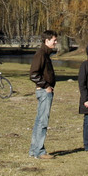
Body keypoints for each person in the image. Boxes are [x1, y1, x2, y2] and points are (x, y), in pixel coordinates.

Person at [28, 30, 58, 159]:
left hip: (45, 91)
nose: (56, 42)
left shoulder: (45, 54)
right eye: (54, 40)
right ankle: (39, 151)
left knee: (39, 121)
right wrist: (46, 86)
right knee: (42, 122)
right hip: (44, 92)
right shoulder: (41, 54)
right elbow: (33, 74)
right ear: (47, 41)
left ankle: (34, 150)